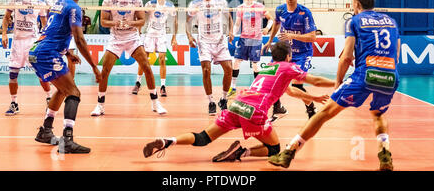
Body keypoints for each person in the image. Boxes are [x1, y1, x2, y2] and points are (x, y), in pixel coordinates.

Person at [268, 0, 400, 171]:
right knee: (378, 113)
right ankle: (385, 154)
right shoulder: (392, 22)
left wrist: (338, 82)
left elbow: (346, 57)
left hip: (365, 74)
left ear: (356, 4)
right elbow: (397, 54)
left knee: (324, 113)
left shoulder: (354, 21)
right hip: (390, 75)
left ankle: (288, 152)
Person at [143, 41, 334, 162]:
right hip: (254, 111)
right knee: (274, 149)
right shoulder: (288, 66)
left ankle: (169, 141)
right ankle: (241, 153)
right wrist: (340, 82)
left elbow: (290, 91)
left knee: (203, 138)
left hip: (237, 104)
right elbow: (315, 80)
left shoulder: (268, 68)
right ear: (288, 56)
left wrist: (314, 98)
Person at [29, 0, 101, 154]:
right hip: (47, 53)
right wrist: (94, 67)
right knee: (73, 92)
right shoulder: (73, 7)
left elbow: (54, 30)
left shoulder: (58, 4)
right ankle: (67, 140)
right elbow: (80, 40)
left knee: (62, 91)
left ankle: (45, 131)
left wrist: (67, 52)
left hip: (38, 50)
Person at [90, 0, 167, 117]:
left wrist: (130, 23)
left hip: (132, 38)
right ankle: (100, 105)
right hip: (116, 39)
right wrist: (116, 23)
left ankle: (155, 103)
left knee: (147, 67)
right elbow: (103, 22)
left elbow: (141, 21)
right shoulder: (109, 0)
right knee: (105, 71)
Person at [263, 0, 318, 122]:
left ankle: (310, 107)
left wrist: (292, 36)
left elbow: (312, 37)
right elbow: (276, 23)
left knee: (296, 84)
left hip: (303, 53)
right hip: (285, 53)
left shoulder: (305, 13)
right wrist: (270, 40)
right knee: (271, 77)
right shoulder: (280, 10)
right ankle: (278, 108)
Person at [2, 0, 52, 116]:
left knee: (41, 74)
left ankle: (49, 99)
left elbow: (44, 25)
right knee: (13, 74)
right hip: (17, 41)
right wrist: (4, 33)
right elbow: (6, 17)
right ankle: (14, 103)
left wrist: (44, 40)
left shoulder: (41, 2)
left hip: (32, 41)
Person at [186, 0, 234, 115]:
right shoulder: (195, 3)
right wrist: (189, 36)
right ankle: (211, 102)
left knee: (229, 69)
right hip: (204, 42)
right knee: (206, 71)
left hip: (219, 41)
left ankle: (224, 99)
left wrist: (230, 31)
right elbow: (188, 22)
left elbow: (229, 17)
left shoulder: (221, 1)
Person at [228, 0, 274, 97]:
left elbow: (271, 19)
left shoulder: (259, 6)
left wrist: (267, 28)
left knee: (255, 64)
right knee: (236, 62)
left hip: (256, 39)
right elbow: (238, 23)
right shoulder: (240, 8)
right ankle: (233, 87)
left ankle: (256, 89)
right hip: (244, 38)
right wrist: (233, 33)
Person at [134, 0, 178, 97]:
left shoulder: (170, 6)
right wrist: (139, 30)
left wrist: (174, 37)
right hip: (150, 34)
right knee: (144, 59)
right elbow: (141, 16)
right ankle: (138, 83)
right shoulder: (150, 4)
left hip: (162, 35)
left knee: (162, 59)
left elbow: (175, 21)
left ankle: (163, 86)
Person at [47, 0, 79, 78]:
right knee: (53, 57)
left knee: (71, 57)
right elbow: (48, 15)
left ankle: (72, 80)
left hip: (67, 33)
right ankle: (55, 79)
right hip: (55, 34)